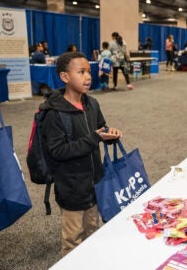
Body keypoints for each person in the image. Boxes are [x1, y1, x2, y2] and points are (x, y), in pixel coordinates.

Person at [40, 52, 123, 256]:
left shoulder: (92, 104)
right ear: (65, 77)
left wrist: (110, 134)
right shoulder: (54, 113)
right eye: (81, 72)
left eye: (89, 71)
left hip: (94, 184)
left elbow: (101, 129)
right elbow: (58, 151)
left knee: (92, 233)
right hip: (71, 188)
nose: (88, 76)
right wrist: (94, 138)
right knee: (73, 241)